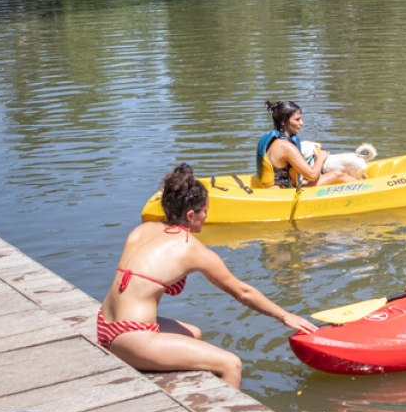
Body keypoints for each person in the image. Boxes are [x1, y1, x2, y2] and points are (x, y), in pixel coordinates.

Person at [98, 164, 317, 388]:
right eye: (205, 210)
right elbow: (243, 292)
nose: (207, 215)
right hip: (133, 336)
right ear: (191, 215)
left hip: (105, 325)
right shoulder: (189, 247)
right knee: (230, 365)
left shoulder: (141, 231)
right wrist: (285, 316)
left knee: (193, 333)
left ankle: (179, 385)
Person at [256, 100, 356, 188]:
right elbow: (312, 175)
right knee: (337, 175)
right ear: (283, 122)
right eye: (297, 119)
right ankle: (367, 189)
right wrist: (320, 158)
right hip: (281, 194)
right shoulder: (285, 146)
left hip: (276, 187)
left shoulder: (274, 140)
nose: (302, 123)